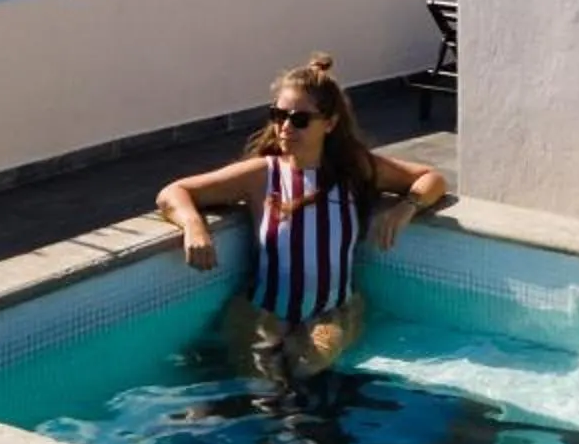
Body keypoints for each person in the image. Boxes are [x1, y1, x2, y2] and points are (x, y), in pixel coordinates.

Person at [153, 53, 448, 381]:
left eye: (300, 119)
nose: (285, 127)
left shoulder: (353, 171)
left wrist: (404, 209)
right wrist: (194, 225)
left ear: (330, 123)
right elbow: (173, 192)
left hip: (332, 316)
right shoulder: (261, 175)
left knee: (305, 371)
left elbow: (431, 178)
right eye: (278, 115)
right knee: (262, 385)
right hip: (262, 313)